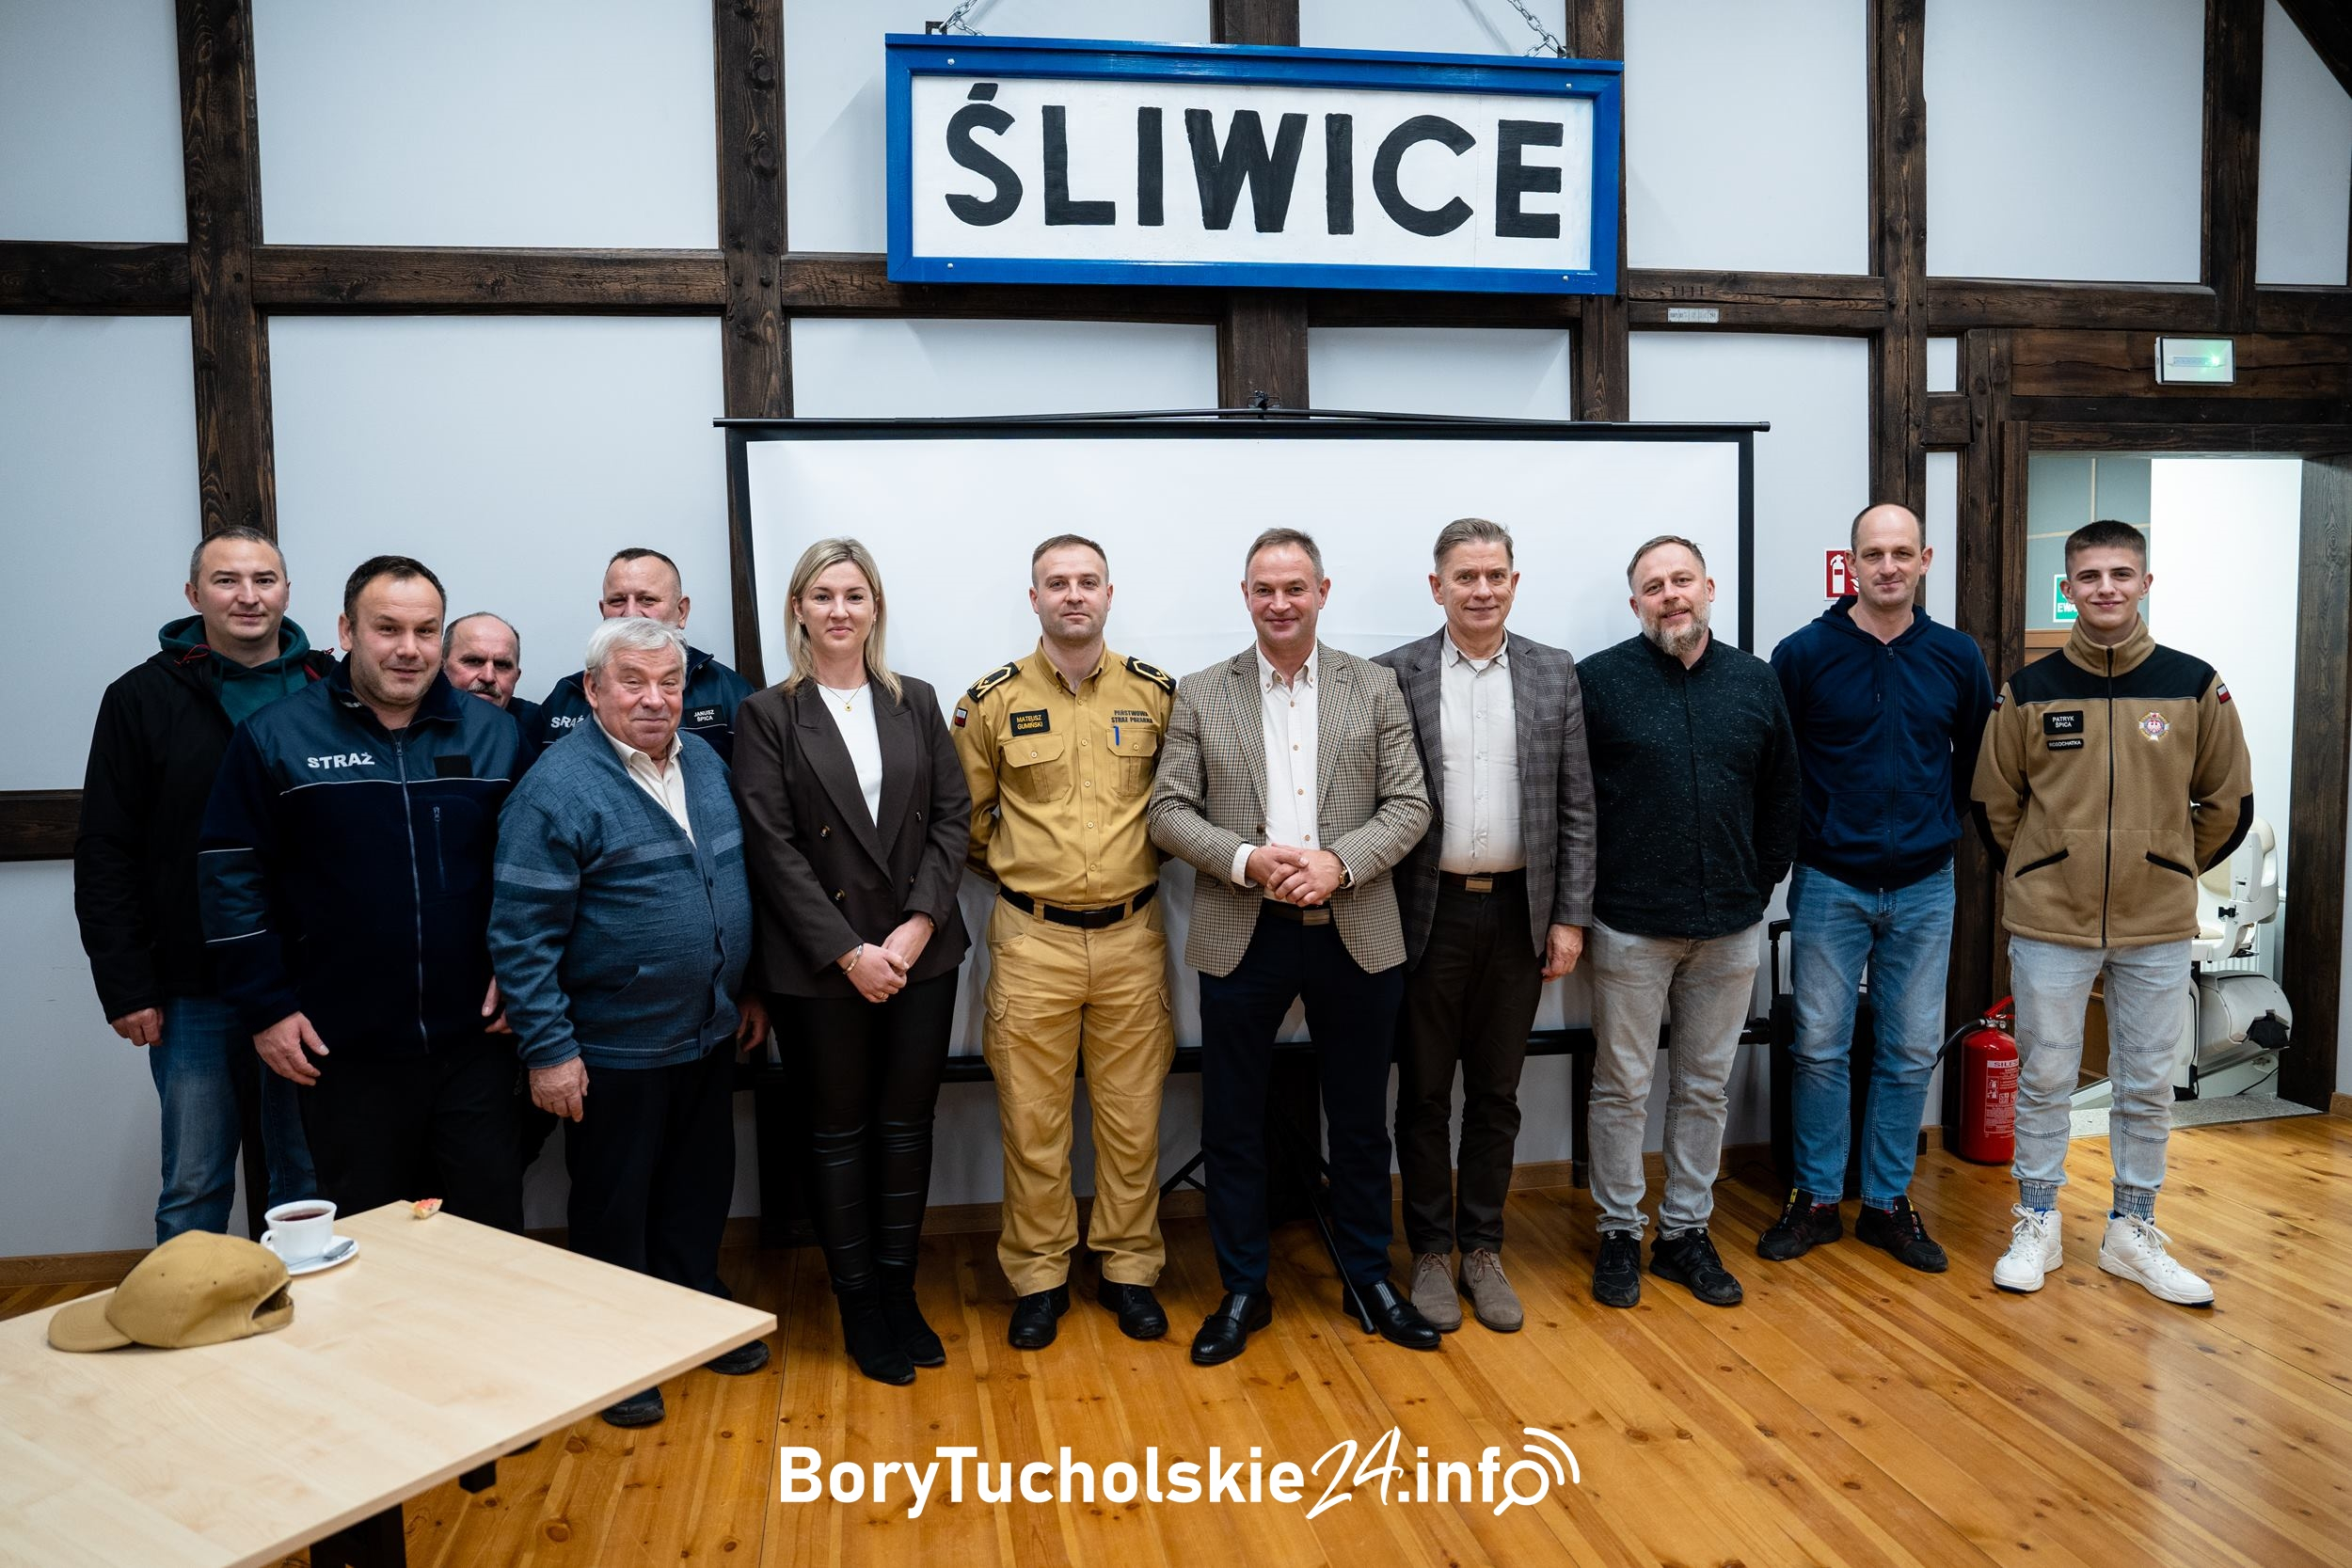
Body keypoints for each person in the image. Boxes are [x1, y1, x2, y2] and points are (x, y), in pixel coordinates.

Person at [1148, 527, 1437, 1366]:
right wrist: (1246, 858)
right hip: (1246, 931)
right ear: (1246, 596)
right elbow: (1167, 811)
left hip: (1357, 927)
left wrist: (1338, 863)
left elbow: (1410, 805)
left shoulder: (1374, 686)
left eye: (1295, 588)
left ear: (1322, 592)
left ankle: (1366, 1277)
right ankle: (1243, 1286)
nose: (1280, 603)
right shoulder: (1201, 692)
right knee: (1233, 1120)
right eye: (1265, 589)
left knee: (1360, 1120)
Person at [489, 616, 771, 1428]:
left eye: (669, 682)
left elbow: (734, 888)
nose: (655, 699)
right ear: (593, 689)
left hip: (708, 1031)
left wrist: (749, 989)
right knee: (615, 1205)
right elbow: (520, 936)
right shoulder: (555, 788)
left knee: (697, 1187)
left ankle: (692, 1307)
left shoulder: (705, 763)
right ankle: (616, 1353)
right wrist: (549, 1052)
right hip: (612, 1046)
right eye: (634, 682)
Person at [199, 555, 524, 1231]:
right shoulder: (276, 736)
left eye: (426, 631)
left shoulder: (495, 735)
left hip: (477, 1043)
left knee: (489, 1231)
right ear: (347, 630)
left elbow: (535, 873)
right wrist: (266, 1007)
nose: (409, 649)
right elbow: (230, 877)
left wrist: (525, 975)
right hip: (342, 1049)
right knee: (371, 1238)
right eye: (387, 628)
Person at [1972, 518, 2251, 1307]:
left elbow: (2227, 801)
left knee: (2147, 1081)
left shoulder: (2194, 684)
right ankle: (2038, 1219)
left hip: (2155, 922)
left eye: (2120, 574)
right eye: (2089, 576)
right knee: (2045, 1074)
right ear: (2068, 589)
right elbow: (1995, 803)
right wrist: (2043, 867)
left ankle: (2133, 1228)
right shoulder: (2028, 690)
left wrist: (2166, 863)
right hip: (2050, 922)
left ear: (2145, 583)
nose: (2105, 588)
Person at [731, 539, 971, 1386]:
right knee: (837, 1134)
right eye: (823, 595)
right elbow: (772, 846)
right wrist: (848, 952)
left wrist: (915, 928)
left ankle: (900, 1293)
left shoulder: (917, 700)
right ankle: (860, 1304)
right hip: (821, 965)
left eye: (855, 595)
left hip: (918, 955)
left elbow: (953, 819)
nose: (840, 610)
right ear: (798, 608)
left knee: (907, 1128)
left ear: (875, 609)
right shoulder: (768, 714)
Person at [952, 535, 1178, 1351]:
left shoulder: (1156, 695)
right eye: (1058, 583)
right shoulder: (991, 702)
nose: (1073, 594)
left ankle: (1128, 1268)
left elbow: (1178, 807)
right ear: (1035, 597)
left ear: (1109, 593)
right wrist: (1033, 875)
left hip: (1131, 935)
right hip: (1032, 939)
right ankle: (1040, 1276)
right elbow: (966, 822)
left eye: (1087, 581)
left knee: (1133, 1119)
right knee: (1033, 1121)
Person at [75, 526, 330, 1243]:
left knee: (309, 1178)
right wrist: (126, 983)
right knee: (194, 1180)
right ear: (194, 594)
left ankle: (305, 1315)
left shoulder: (331, 687)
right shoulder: (140, 697)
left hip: (310, 979)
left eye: (264, 579)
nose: (248, 596)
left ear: (287, 592)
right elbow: (105, 848)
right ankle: (190, 1312)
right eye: (226, 580)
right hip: (193, 984)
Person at [1373, 517, 1596, 1334]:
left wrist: (1570, 916)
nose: (1481, 589)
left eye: (1495, 574)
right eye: (1464, 576)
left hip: (1517, 914)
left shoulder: (1552, 671)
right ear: (1437, 587)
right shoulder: (1392, 674)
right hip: (1423, 913)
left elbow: (1577, 805)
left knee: (1497, 1093)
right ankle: (1431, 1252)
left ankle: (1483, 1248)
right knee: (1425, 1092)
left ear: (1514, 581)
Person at [1762, 503, 1994, 1273]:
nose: (1887, 566)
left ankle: (1888, 1201)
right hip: (1830, 879)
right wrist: (1813, 837)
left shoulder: (1957, 656)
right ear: (1851, 563)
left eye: (1901, 553)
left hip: (1926, 884)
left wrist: (1934, 827)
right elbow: (1779, 767)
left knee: (1910, 1048)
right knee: (1819, 1046)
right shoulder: (1802, 653)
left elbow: (1973, 762)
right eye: (1873, 553)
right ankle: (1817, 1197)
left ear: (1924, 559)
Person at [1577, 535, 1799, 1310]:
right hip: (1630, 927)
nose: (1670, 594)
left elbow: (1783, 793)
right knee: (1621, 1087)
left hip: (1730, 927)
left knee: (1704, 1087)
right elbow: (1576, 803)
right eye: (1653, 585)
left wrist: (1758, 882)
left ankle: (1684, 1232)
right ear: (1634, 602)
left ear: (1709, 588)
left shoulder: (1755, 680)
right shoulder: (1598, 681)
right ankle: (1617, 1229)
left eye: (1682, 580)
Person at [528, 547, 753, 763]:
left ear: (681, 611)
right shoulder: (567, 695)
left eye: (647, 600)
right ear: (603, 611)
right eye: (617, 601)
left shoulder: (726, 690)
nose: (631, 613)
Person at [443, 611, 540, 736]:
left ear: (516, 677)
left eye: (502, 665)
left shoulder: (538, 729)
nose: (488, 677)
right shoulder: (417, 720)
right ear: (441, 667)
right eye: (474, 661)